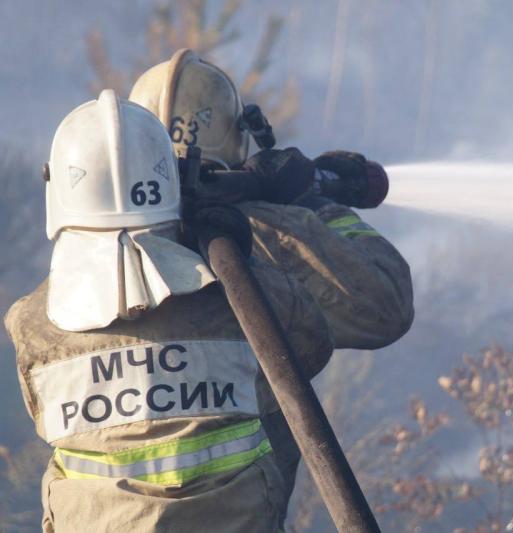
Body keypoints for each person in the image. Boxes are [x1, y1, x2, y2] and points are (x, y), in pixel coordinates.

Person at [4, 90, 334, 532]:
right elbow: (310, 347)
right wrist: (236, 251)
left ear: (58, 188)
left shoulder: (30, 322)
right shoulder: (242, 302)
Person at [129, 49, 415, 502]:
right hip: (240, 516)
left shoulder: (89, 250)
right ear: (237, 135)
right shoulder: (260, 237)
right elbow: (386, 306)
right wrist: (312, 206)